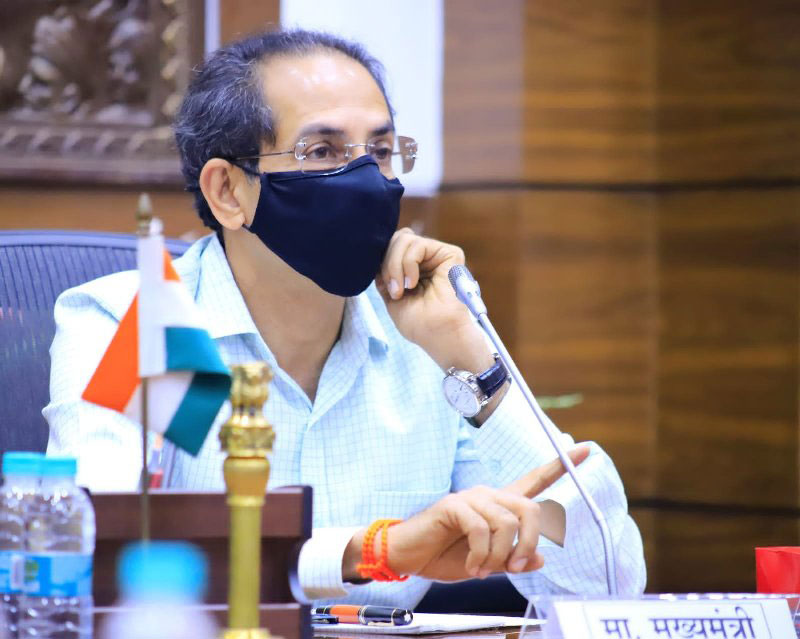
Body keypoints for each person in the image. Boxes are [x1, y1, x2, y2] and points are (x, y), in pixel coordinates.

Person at [45, 29, 646, 606]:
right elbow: (96, 553)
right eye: (322, 152)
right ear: (228, 191)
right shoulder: (151, 325)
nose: (365, 181)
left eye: (380, 153)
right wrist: (369, 553)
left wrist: (472, 362)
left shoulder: (423, 344)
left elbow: (606, 586)